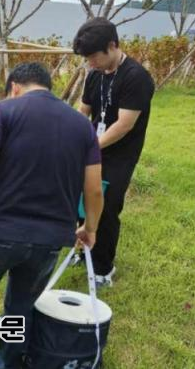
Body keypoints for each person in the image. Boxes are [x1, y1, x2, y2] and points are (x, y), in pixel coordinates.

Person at [0, 62, 104, 369]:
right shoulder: (83, 125)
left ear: (14, 87)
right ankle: (12, 362)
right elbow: (94, 189)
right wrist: (90, 227)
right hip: (51, 240)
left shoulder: (4, 111)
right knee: (21, 306)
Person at [73, 17, 155, 288]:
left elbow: (124, 125)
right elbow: (83, 111)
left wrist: (91, 147)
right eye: (86, 59)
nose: (90, 63)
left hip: (120, 154)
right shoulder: (94, 75)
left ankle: (103, 268)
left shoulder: (136, 77)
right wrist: (70, 137)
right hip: (92, 148)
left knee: (106, 207)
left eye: (93, 57)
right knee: (82, 200)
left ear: (112, 46)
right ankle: (83, 252)